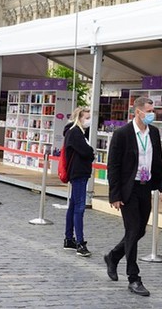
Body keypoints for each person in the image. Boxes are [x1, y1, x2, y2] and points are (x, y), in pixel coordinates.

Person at [104, 96, 162, 297]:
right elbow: (113, 166)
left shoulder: (154, 133)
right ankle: (134, 278)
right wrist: (114, 194)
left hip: (145, 187)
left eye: (153, 111)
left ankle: (113, 256)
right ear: (138, 112)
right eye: (149, 111)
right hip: (128, 189)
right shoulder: (122, 134)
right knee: (132, 230)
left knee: (140, 231)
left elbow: (157, 161)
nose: (152, 114)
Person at [62, 106, 95, 257]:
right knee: (79, 207)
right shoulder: (75, 133)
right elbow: (87, 152)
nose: (88, 121)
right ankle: (80, 243)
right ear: (78, 118)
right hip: (78, 173)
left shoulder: (77, 132)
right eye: (86, 118)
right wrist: (90, 152)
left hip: (79, 172)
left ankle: (69, 239)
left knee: (74, 205)